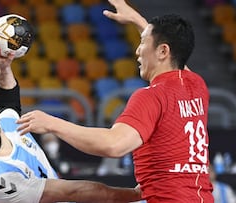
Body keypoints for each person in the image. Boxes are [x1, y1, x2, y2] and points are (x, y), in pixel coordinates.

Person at [16, 0, 214, 202]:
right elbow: (176, 57)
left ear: (163, 51)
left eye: (143, 43)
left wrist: (52, 124)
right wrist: (138, 21)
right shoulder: (196, 86)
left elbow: (114, 145)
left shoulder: (151, 96)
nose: (137, 51)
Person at [0, 28, 142, 203]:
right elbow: (72, 192)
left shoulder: (8, 123)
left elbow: (6, 99)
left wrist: (4, 66)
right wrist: (135, 195)